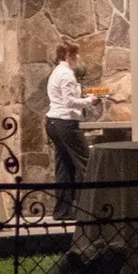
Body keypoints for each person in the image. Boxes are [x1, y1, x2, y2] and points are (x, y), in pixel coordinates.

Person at [45, 43, 104, 217]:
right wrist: (90, 101)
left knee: (64, 167)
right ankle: (91, 209)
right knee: (86, 163)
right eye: (76, 54)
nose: (78, 58)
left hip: (53, 123)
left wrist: (84, 97)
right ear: (68, 55)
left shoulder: (57, 72)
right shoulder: (66, 74)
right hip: (66, 123)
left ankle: (62, 211)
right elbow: (69, 102)